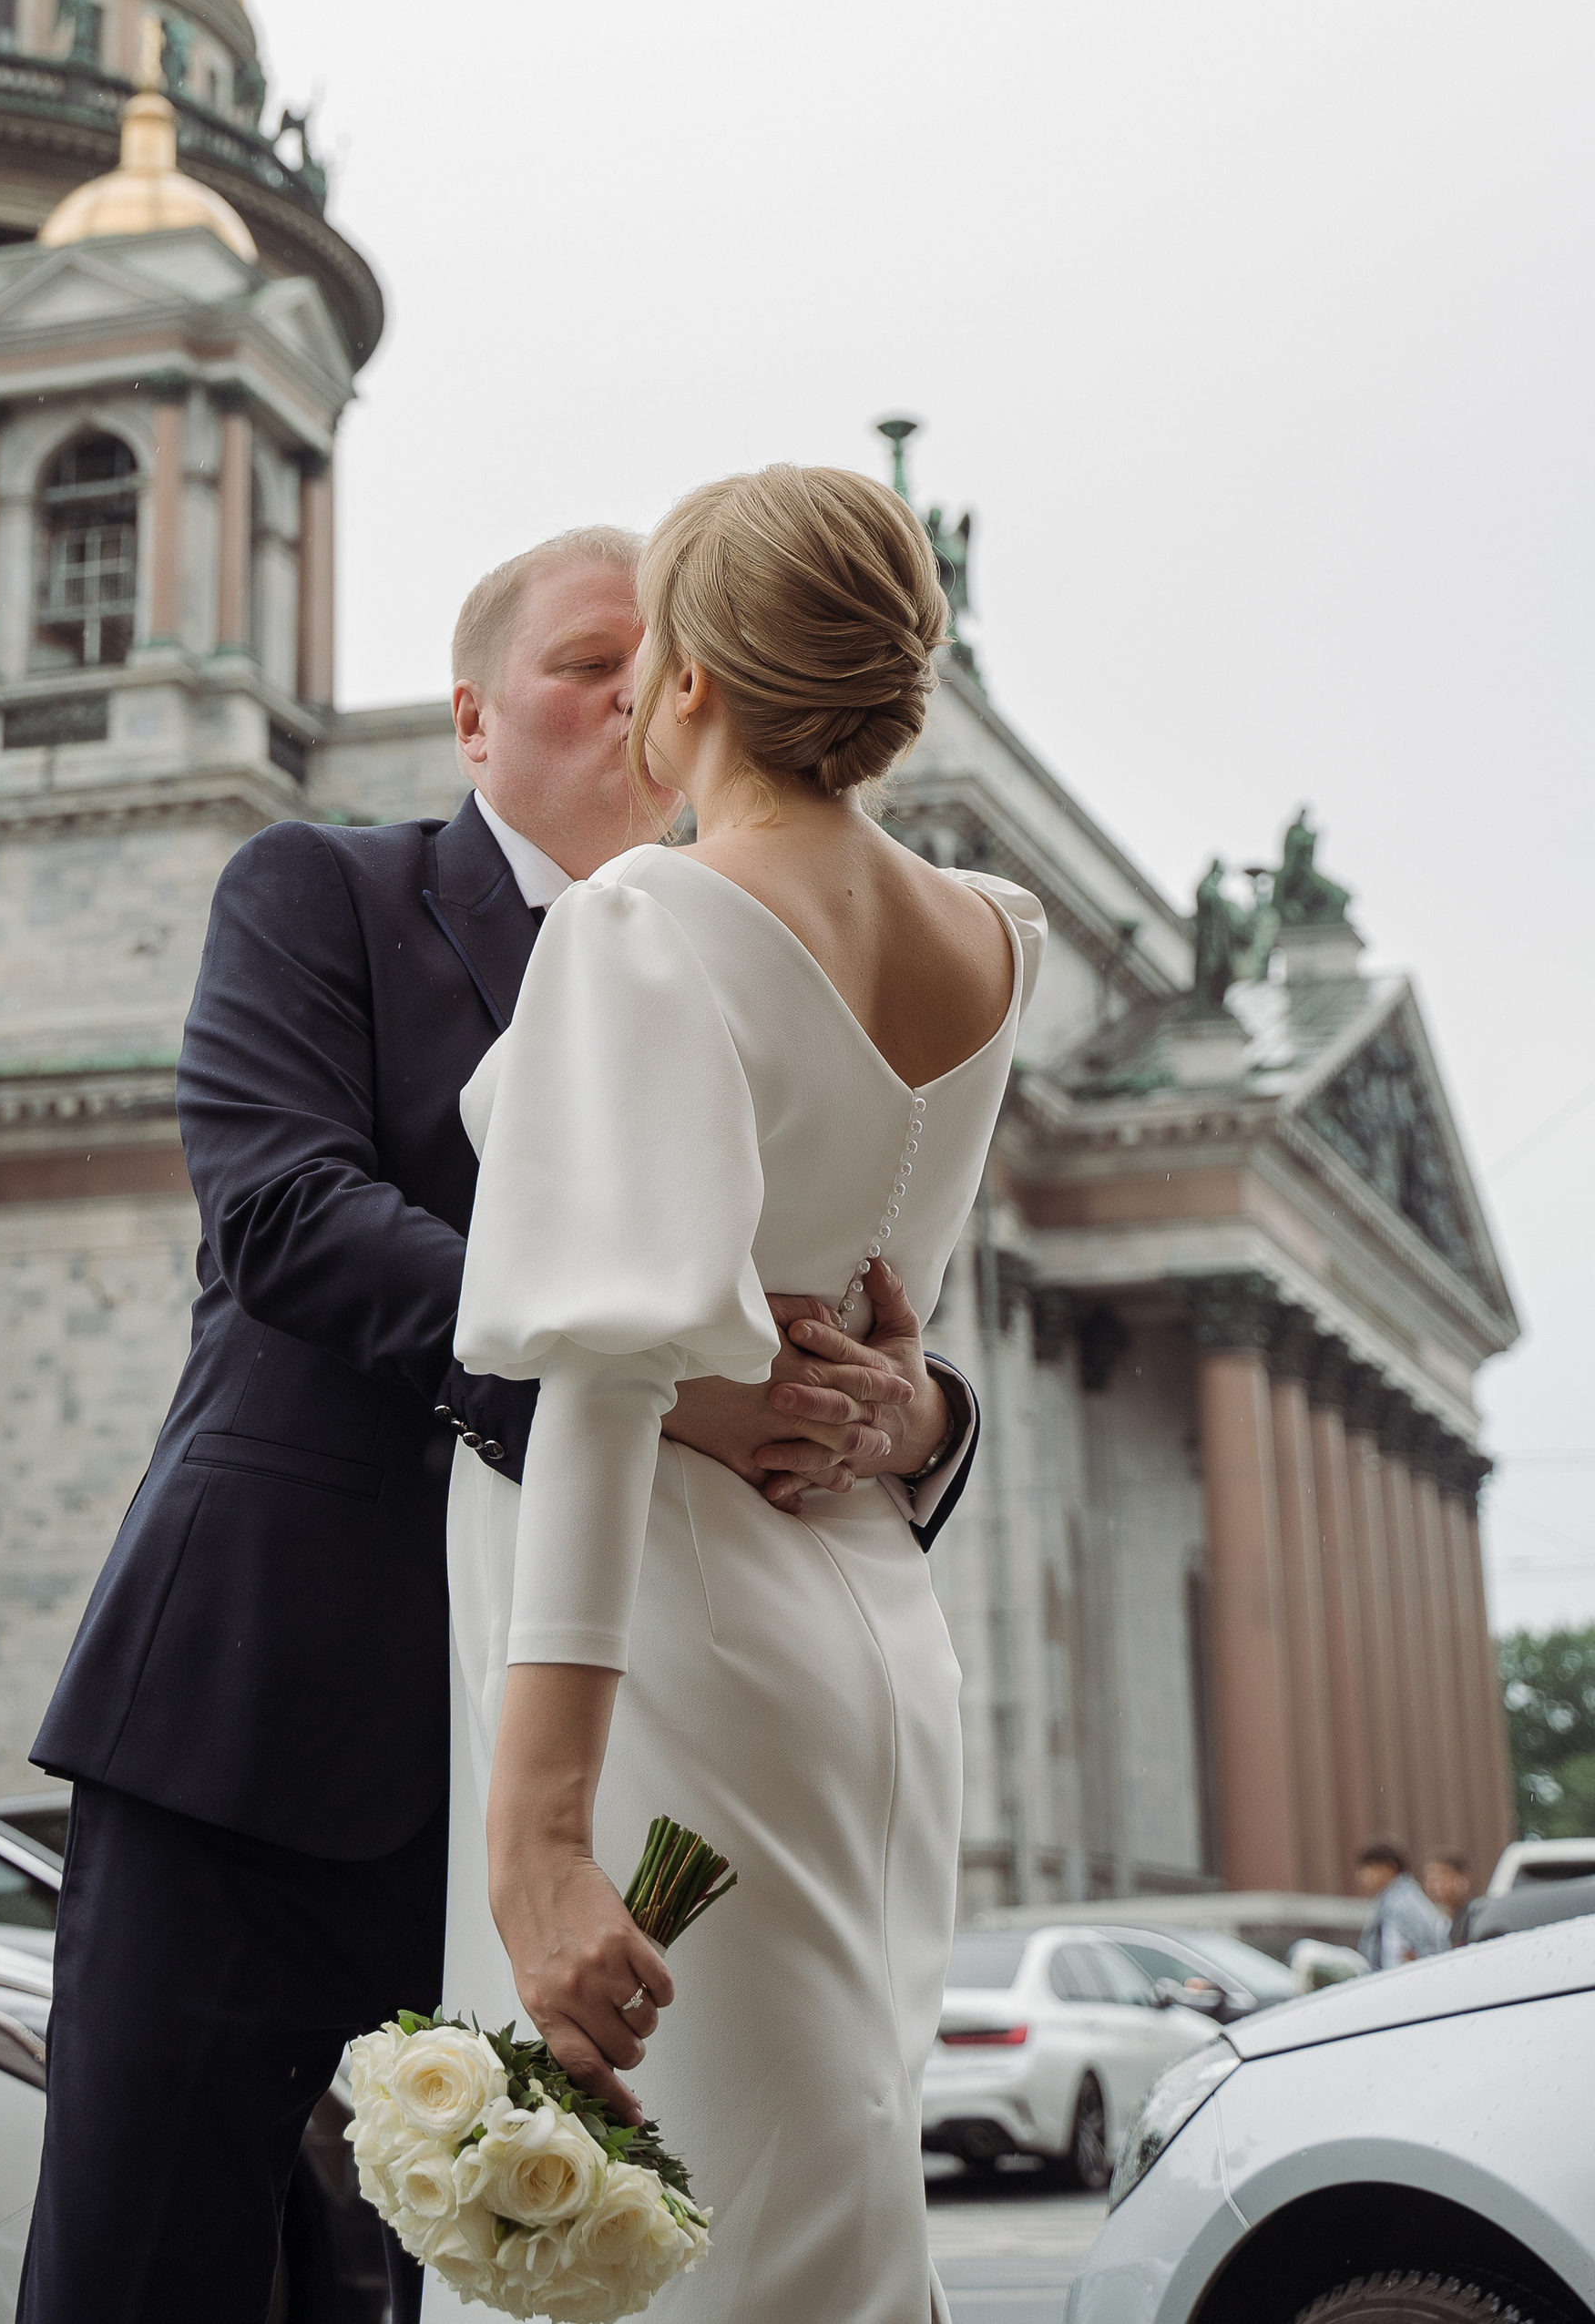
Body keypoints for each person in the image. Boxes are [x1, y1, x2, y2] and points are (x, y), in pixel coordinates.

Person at [17, 523, 984, 2324]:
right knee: (146, 2266)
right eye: (580, 659)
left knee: (522, 2275)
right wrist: (647, 1377)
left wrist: (906, 1419)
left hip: (624, 1763)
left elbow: (887, 1315)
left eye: (660, 651)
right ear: (469, 721)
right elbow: (287, 1215)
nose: (629, 689)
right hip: (263, 1723)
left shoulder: (789, 954)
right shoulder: (320, 891)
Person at [433, 466, 1044, 2324]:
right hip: (874, 1638)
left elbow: (608, 1395)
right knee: (820, 2187)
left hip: (672, 1653)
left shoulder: (644, 923)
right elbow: (879, 1319)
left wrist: (538, 1839)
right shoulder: (994, 938)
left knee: (637, 2233)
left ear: (689, 678)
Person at [1356, 1839, 1453, 1964]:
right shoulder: (1390, 1899)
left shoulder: (1402, 1902)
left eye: (1369, 1867)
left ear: (1389, 1866)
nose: (1362, 1874)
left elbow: (1423, 1947)